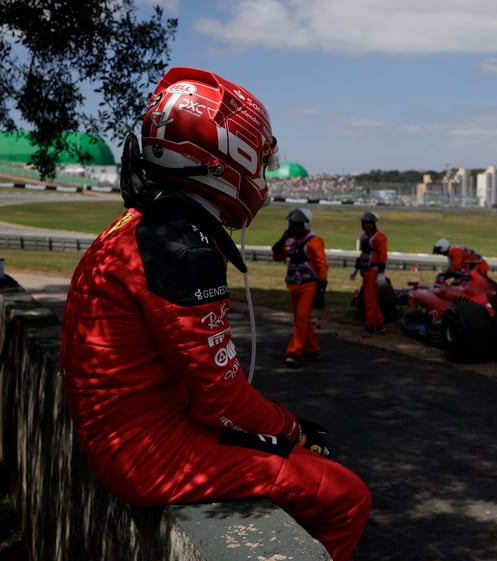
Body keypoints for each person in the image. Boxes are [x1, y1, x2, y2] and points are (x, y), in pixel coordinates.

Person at [59, 67, 370, 561]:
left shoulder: (141, 225)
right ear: (228, 154)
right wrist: (293, 430)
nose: (262, 173)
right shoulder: (180, 245)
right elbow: (221, 400)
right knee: (347, 497)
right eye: (260, 158)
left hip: (128, 436)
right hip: (147, 453)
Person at [271, 208, 328, 369]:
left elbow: (322, 265)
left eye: (297, 225)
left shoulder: (314, 241)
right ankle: (312, 348)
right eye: (292, 224)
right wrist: (283, 238)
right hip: (294, 285)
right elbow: (277, 256)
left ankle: (294, 352)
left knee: (301, 318)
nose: (294, 228)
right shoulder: (289, 240)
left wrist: (321, 290)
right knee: (301, 318)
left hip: (309, 285)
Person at [349, 210, 388, 336]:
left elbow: (382, 256)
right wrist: (356, 268)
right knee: (371, 298)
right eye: (365, 223)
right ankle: (380, 324)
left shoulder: (379, 237)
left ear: (374, 224)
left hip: (374, 270)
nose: (367, 226)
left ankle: (370, 326)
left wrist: (381, 273)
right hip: (365, 270)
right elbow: (363, 254)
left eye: (369, 223)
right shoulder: (363, 236)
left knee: (369, 299)